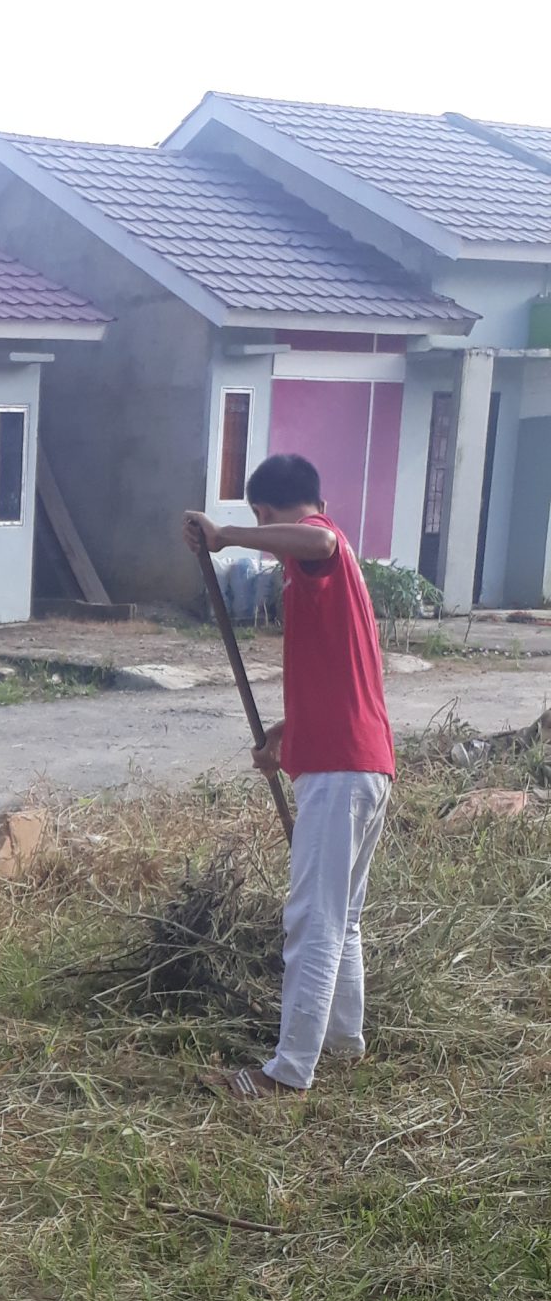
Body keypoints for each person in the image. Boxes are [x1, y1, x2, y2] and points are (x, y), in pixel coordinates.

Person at [183, 452, 395, 1097]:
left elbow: (315, 539)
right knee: (342, 917)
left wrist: (226, 536)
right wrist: (286, 733)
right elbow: (336, 679)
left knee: (313, 919)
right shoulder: (327, 577)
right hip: (361, 762)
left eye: (260, 524)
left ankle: (287, 1074)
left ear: (266, 513)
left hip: (341, 769)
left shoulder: (321, 547)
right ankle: (343, 1044)